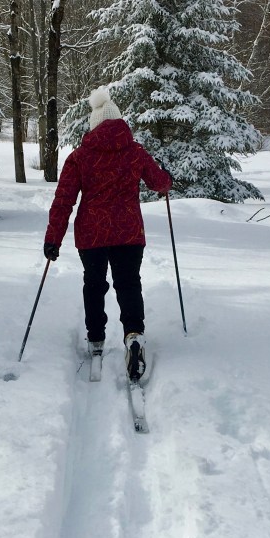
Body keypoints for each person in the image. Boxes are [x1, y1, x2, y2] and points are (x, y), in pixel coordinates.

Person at [43, 86, 172, 380]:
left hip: (92, 234)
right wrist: (167, 179)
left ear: (95, 124)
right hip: (129, 233)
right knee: (128, 284)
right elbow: (159, 183)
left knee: (95, 284)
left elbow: (64, 200)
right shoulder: (136, 151)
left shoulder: (80, 156)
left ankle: (97, 337)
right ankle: (134, 334)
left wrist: (53, 238)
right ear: (119, 123)